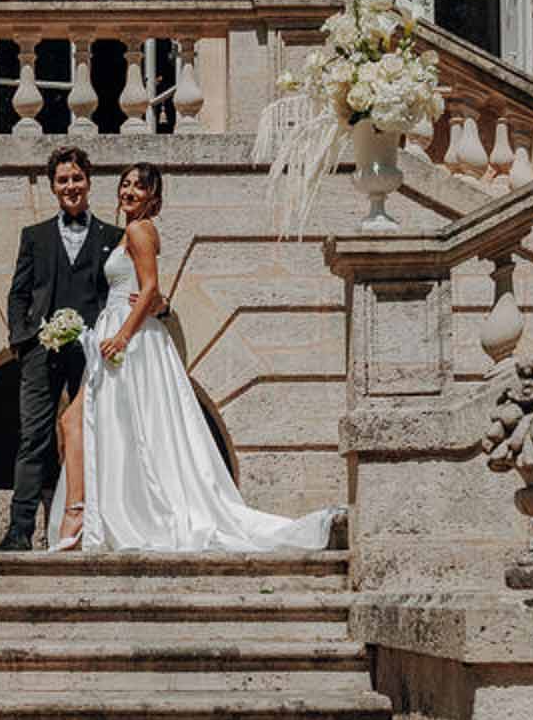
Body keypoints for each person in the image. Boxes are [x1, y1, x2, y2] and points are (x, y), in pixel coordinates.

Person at [49, 164, 341, 553]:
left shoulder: (139, 230)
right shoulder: (131, 233)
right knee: (108, 424)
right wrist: (147, 310)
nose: (129, 191)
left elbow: (151, 287)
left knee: (108, 423)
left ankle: (92, 514)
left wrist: (122, 335)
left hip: (128, 338)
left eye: (140, 187)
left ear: (154, 197)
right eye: (126, 184)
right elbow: (151, 293)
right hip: (122, 330)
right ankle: (95, 513)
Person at [0, 147, 158, 551]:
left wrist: (159, 305)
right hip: (40, 351)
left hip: (93, 349)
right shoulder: (34, 236)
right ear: (53, 187)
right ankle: (19, 532)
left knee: (94, 432)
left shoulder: (114, 236)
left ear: (88, 183)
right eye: (63, 180)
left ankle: (93, 523)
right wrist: (23, 340)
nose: (71, 187)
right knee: (33, 437)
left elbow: (137, 285)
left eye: (77, 179)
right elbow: (19, 293)